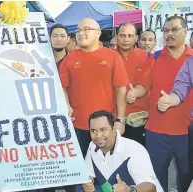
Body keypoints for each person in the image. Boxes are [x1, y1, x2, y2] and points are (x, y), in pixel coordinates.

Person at [59, 18, 129, 158]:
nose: (81, 33)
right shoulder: (69, 59)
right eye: (78, 30)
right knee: (83, 170)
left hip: (106, 126)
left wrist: (120, 120)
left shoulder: (112, 56)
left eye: (86, 29)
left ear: (98, 33)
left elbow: (121, 89)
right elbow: (62, 87)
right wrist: (66, 104)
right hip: (78, 125)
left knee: (107, 170)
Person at [143, 16, 193, 192]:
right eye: (166, 30)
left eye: (174, 29)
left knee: (187, 180)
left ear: (185, 32)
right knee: (156, 179)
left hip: (186, 132)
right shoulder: (154, 58)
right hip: (156, 132)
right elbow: (144, 85)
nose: (169, 34)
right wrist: (134, 93)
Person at [80, 110, 163, 192]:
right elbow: (89, 174)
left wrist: (129, 190)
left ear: (114, 129)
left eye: (103, 129)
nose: (98, 136)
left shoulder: (134, 150)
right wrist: (87, 183)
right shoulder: (92, 146)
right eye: (93, 131)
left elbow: (151, 187)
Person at [116, 23, 150, 146]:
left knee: (137, 154)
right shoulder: (109, 56)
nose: (126, 39)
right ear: (116, 37)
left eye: (130, 36)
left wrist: (134, 92)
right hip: (114, 116)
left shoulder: (144, 56)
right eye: (122, 35)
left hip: (137, 117)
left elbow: (146, 83)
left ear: (136, 38)